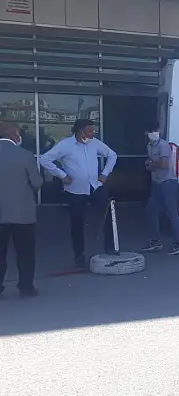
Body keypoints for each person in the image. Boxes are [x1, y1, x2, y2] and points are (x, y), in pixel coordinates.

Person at [39, 119, 118, 269]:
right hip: (75, 190)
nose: (93, 133)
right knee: (77, 223)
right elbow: (44, 159)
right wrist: (62, 175)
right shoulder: (65, 145)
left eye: (93, 131)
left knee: (108, 215)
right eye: (89, 131)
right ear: (80, 131)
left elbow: (112, 155)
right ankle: (79, 256)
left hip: (95, 186)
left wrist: (105, 173)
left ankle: (110, 247)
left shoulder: (94, 143)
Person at [0, 122, 43, 298]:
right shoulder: (25, 155)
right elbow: (37, 183)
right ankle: (26, 288)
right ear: (14, 135)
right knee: (25, 253)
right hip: (22, 213)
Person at [140, 122, 179, 255]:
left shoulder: (163, 145)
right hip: (157, 182)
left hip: (167, 182)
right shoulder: (150, 146)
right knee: (151, 211)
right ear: (146, 133)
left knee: (171, 213)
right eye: (150, 131)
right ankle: (155, 241)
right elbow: (152, 161)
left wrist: (151, 165)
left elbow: (164, 164)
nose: (153, 133)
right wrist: (150, 164)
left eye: (155, 130)